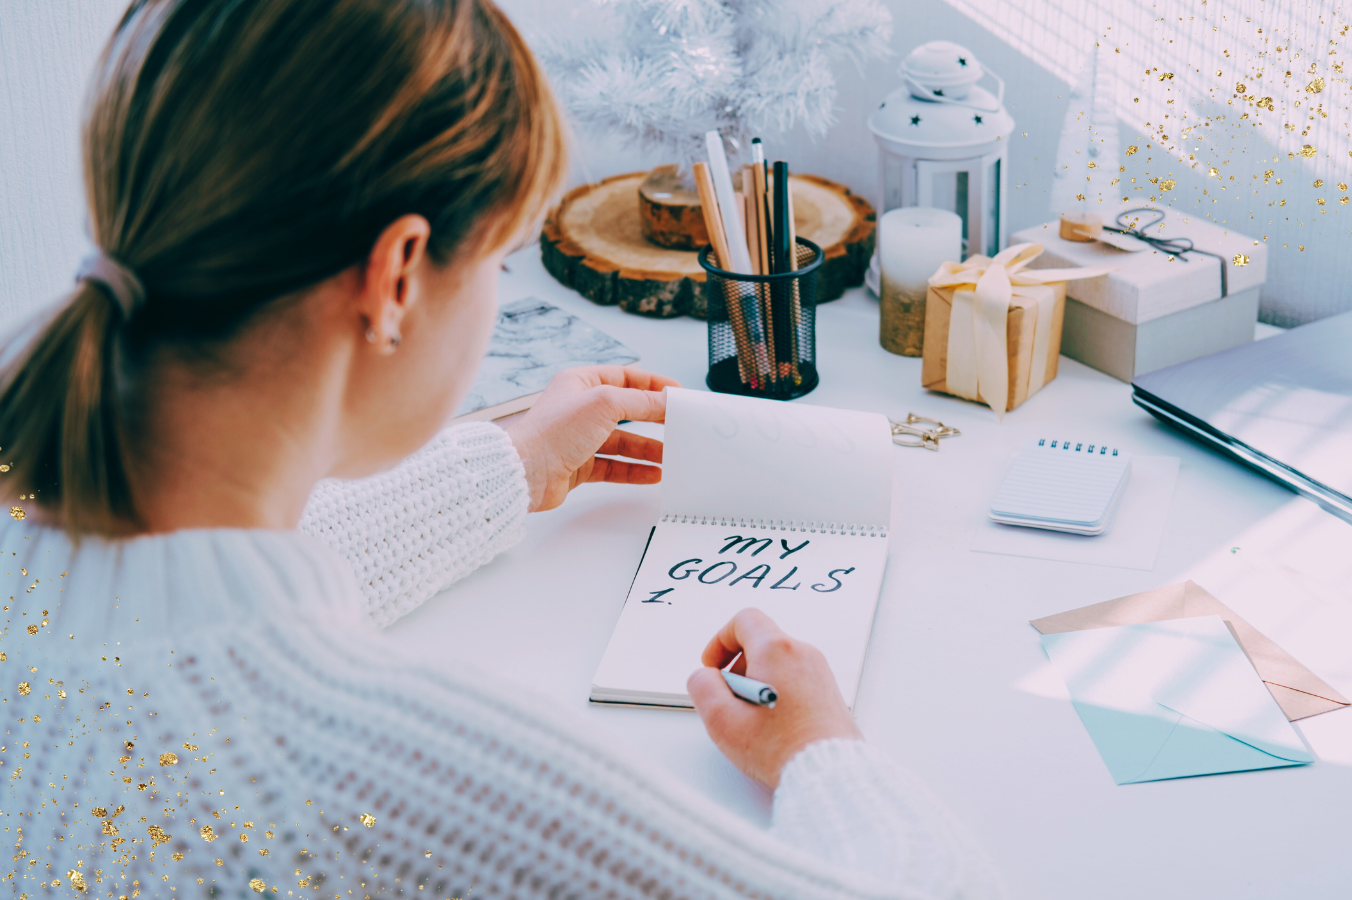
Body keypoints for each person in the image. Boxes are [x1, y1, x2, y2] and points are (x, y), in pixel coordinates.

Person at [0, 1, 1003, 898]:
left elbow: (203, 600)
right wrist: (819, 748)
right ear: (397, 276)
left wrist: (508, 464)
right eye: (501, 259)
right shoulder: (379, 771)